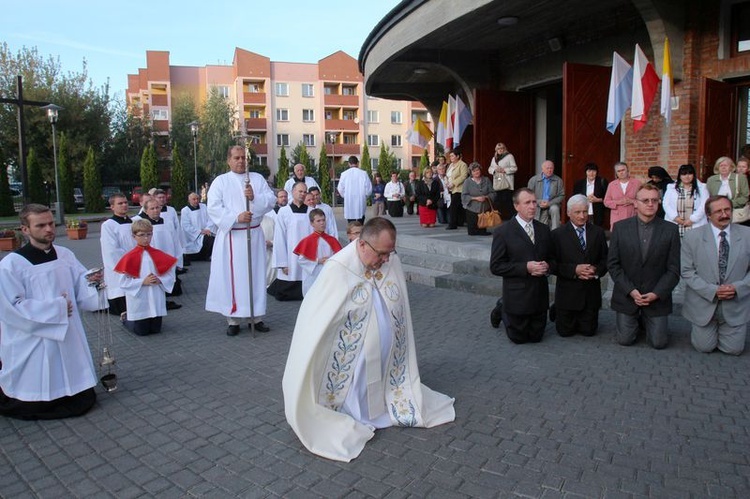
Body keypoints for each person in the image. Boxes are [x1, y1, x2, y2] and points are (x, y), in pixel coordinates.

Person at [282, 217, 455, 462]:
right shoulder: (338, 267)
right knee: (360, 369)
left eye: (390, 252)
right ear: (362, 245)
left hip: (385, 348)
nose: (386, 260)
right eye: (381, 254)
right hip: (351, 347)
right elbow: (315, 317)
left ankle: (384, 406)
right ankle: (356, 411)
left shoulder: (389, 259)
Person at [0, 204, 100, 420]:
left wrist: (93, 281)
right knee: (39, 377)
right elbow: (12, 308)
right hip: (32, 337)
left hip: (68, 331)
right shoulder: (11, 265)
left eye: (51, 223)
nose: (49, 229)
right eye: (41, 225)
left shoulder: (65, 255)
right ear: (25, 229)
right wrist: (57, 308)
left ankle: (72, 390)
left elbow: (80, 284)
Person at [206, 145, 276, 336]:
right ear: (229, 160)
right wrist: (236, 217)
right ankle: (233, 319)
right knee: (233, 277)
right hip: (232, 236)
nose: (241, 161)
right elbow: (213, 208)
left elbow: (271, 200)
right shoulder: (220, 182)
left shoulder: (257, 179)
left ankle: (257, 316)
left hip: (253, 235)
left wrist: (254, 197)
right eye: (236, 158)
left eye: (244, 158)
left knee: (255, 275)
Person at [607, 184, 681, 349]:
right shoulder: (620, 228)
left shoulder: (671, 230)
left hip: (656, 297)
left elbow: (674, 270)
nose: (650, 204)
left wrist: (656, 293)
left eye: (654, 200)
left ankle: (646, 319)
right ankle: (637, 320)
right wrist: (631, 291)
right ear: (636, 203)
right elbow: (613, 264)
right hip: (628, 295)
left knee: (659, 343)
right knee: (625, 340)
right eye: (645, 200)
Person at [681, 195, 750, 355]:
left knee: (734, 350)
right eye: (718, 211)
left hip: (735, 303)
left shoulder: (747, 235)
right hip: (704, 302)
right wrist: (712, 291)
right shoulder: (692, 237)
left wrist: (737, 288)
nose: (724, 214)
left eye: (727, 210)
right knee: (704, 347)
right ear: (708, 215)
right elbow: (686, 271)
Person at [490, 188, 555, 343]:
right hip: (517, 295)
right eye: (527, 202)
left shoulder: (544, 229)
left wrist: (547, 266)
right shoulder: (503, 232)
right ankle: (502, 308)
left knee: (536, 338)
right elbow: (496, 266)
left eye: (534, 202)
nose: (532, 206)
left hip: (539, 296)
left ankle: (503, 305)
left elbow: (554, 259)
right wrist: (526, 267)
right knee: (518, 339)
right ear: (516, 206)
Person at [550, 195, 608, 337]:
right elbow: (552, 264)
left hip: (590, 295)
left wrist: (596, 270)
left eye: (585, 212)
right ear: (569, 213)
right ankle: (555, 309)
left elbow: (606, 260)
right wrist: (574, 270)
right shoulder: (557, 235)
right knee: (565, 333)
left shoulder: (598, 233)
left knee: (588, 332)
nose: (582, 216)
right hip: (567, 295)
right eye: (577, 212)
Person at [115, 220, 177, 336]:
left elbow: (170, 275)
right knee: (141, 332)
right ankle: (125, 318)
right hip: (140, 298)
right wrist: (142, 281)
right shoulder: (129, 257)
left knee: (156, 330)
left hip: (155, 295)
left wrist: (161, 280)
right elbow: (123, 282)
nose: (146, 238)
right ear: (134, 236)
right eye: (142, 235)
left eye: (149, 234)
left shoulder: (158, 254)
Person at [133, 198, 182, 310]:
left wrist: (178, 260)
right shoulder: (141, 224)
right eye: (152, 208)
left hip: (167, 257)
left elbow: (175, 241)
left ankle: (163, 302)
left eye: (157, 207)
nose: (156, 210)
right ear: (145, 211)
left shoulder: (167, 222)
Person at [271, 181, 312, 301]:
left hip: (306, 253)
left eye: (305, 192)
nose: (303, 194)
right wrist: (282, 263)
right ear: (293, 192)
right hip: (290, 254)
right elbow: (279, 238)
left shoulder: (311, 212)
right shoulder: (284, 212)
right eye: (300, 191)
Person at [99, 192, 135, 316]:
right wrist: (130, 261)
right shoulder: (108, 225)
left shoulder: (134, 223)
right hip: (120, 267)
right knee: (122, 295)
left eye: (125, 202)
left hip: (136, 265)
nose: (124, 205)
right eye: (120, 203)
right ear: (112, 207)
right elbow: (111, 250)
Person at [293, 209, 343, 296]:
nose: (322, 223)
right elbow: (302, 260)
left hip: (329, 274)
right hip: (313, 276)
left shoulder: (332, 240)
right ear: (312, 223)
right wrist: (318, 261)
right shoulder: (307, 241)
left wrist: (331, 260)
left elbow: (339, 256)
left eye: (323, 220)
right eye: (318, 221)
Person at [663, 163, 709, 238]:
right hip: (676, 223)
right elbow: (666, 204)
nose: (687, 177)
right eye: (684, 174)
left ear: (693, 175)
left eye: (689, 174)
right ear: (680, 176)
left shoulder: (702, 188)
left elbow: (704, 205)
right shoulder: (671, 188)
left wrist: (692, 219)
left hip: (696, 224)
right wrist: (675, 217)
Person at [604, 161, 642, 230]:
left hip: (632, 215)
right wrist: (618, 202)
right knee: (618, 238)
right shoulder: (612, 185)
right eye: (618, 171)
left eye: (623, 170)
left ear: (627, 171)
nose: (621, 172)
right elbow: (606, 202)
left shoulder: (637, 183)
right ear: (616, 173)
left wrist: (632, 201)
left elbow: (642, 200)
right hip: (617, 217)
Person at [527, 160, 564, 230]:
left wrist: (549, 203)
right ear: (542, 169)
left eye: (551, 168)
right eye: (547, 168)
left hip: (552, 204)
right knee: (540, 225)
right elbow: (529, 195)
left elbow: (561, 195)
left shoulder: (558, 180)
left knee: (555, 209)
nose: (549, 170)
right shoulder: (534, 180)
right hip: (537, 204)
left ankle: (555, 231)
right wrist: (538, 202)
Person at [181, 192, 216, 263]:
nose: (196, 201)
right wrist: (200, 231)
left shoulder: (204, 207)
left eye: (197, 199)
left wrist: (207, 229)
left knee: (211, 238)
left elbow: (210, 219)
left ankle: (207, 256)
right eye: (194, 199)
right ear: (189, 200)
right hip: (193, 235)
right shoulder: (185, 210)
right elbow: (186, 226)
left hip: (206, 231)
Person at [461, 162, 493, 236]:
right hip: (472, 209)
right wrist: (475, 198)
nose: (476, 172)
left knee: (483, 232)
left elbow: (493, 193)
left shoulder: (486, 180)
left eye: (477, 170)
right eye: (474, 171)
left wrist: (486, 197)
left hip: (484, 209)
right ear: (471, 172)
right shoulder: (467, 182)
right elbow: (464, 196)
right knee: (472, 233)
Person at [337, 155, 372, 224]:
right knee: (361, 218)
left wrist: (345, 195)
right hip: (360, 200)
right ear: (358, 163)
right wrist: (364, 196)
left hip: (349, 200)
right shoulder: (363, 173)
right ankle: (360, 232)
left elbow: (340, 188)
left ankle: (352, 232)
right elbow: (369, 188)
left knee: (350, 220)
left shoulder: (344, 174)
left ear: (349, 163)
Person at [573, 163, 608, 228]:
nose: (591, 173)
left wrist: (597, 200)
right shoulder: (579, 184)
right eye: (589, 171)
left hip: (597, 212)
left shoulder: (602, 182)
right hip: (583, 212)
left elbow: (608, 198)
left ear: (597, 172)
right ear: (585, 172)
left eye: (594, 171)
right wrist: (585, 198)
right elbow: (575, 198)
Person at [487, 142, 517, 220]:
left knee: (507, 201)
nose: (500, 150)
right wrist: (494, 170)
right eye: (498, 149)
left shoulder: (509, 156)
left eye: (501, 148)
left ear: (504, 149)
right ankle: (499, 218)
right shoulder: (494, 158)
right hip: (498, 182)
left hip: (507, 183)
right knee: (498, 201)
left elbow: (514, 168)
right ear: (496, 150)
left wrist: (504, 170)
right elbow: (490, 169)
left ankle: (511, 219)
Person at [445, 149, 468, 230]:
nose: (451, 157)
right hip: (450, 188)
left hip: (458, 189)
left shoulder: (462, 164)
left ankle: (452, 224)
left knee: (453, 206)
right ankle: (459, 222)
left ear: (457, 156)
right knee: (457, 206)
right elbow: (447, 175)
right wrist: (447, 183)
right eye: (450, 156)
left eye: (452, 156)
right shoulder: (451, 165)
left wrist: (453, 183)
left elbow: (464, 176)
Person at [435, 160, 450, 224]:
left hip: (448, 200)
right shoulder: (435, 180)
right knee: (442, 221)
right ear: (437, 171)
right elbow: (433, 191)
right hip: (440, 201)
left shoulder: (448, 178)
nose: (442, 170)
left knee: (449, 221)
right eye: (440, 169)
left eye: (443, 169)